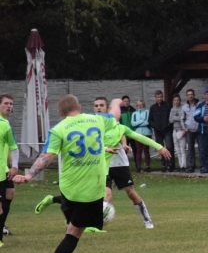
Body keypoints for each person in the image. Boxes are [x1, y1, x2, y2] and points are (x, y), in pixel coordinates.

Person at [13, 95, 115, 253]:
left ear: (60, 113)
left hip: (68, 190)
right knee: (73, 234)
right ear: (79, 106)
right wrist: (116, 104)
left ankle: (55, 201)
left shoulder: (58, 129)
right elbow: (114, 116)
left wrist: (29, 176)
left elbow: (46, 157)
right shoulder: (97, 119)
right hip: (91, 192)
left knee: (73, 225)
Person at [34, 98, 172, 230]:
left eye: (101, 106)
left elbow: (139, 137)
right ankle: (92, 224)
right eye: (96, 106)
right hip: (100, 167)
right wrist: (105, 149)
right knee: (102, 196)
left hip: (119, 164)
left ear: (107, 109)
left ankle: (147, 220)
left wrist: (159, 147)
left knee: (130, 192)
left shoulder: (118, 127)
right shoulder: (92, 125)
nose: (98, 108)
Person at [0, 94, 20, 245]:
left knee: (10, 194)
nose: (9, 106)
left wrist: (13, 164)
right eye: (6, 103)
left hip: (4, 166)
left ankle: (2, 225)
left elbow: (12, 147)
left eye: (11, 104)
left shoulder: (6, 123)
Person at [149, 90, 174, 172]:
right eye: (158, 97)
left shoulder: (168, 106)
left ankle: (170, 164)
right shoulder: (153, 108)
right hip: (158, 131)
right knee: (160, 148)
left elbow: (171, 117)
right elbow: (150, 120)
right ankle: (163, 164)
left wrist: (168, 125)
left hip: (167, 130)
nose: (159, 98)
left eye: (161, 97)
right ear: (155, 98)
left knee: (169, 146)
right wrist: (155, 126)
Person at [131, 100, 152, 172]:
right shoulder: (134, 114)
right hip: (138, 133)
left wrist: (139, 123)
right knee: (138, 150)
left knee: (146, 150)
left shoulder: (147, 112)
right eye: (138, 105)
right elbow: (133, 124)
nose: (140, 106)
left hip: (147, 133)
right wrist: (141, 121)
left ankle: (148, 166)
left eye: (141, 105)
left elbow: (147, 122)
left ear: (144, 105)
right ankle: (138, 167)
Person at [168, 94, 188, 171]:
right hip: (174, 130)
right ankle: (180, 165)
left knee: (182, 148)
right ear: (173, 101)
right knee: (177, 149)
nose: (176, 102)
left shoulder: (182, 108)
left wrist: (175, 118)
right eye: (175, 100)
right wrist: (177, 118)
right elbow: (170, 120)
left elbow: (182, 118)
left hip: (181, 130)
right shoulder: (172, 109)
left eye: (178, 100)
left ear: (180, 100)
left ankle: (184, 165)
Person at [182, 89, 199, 172]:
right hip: (189, 130)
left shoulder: (199, 105)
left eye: (191, 94)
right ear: (187, 96)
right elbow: (182, 118)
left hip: (199, 130)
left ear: (194, 95)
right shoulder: (184, 107)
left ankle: (203, 165)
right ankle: (191, 166)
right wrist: (185, 128)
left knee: (202, 148)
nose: (190, 96)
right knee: (190, 149)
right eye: (188, 94)